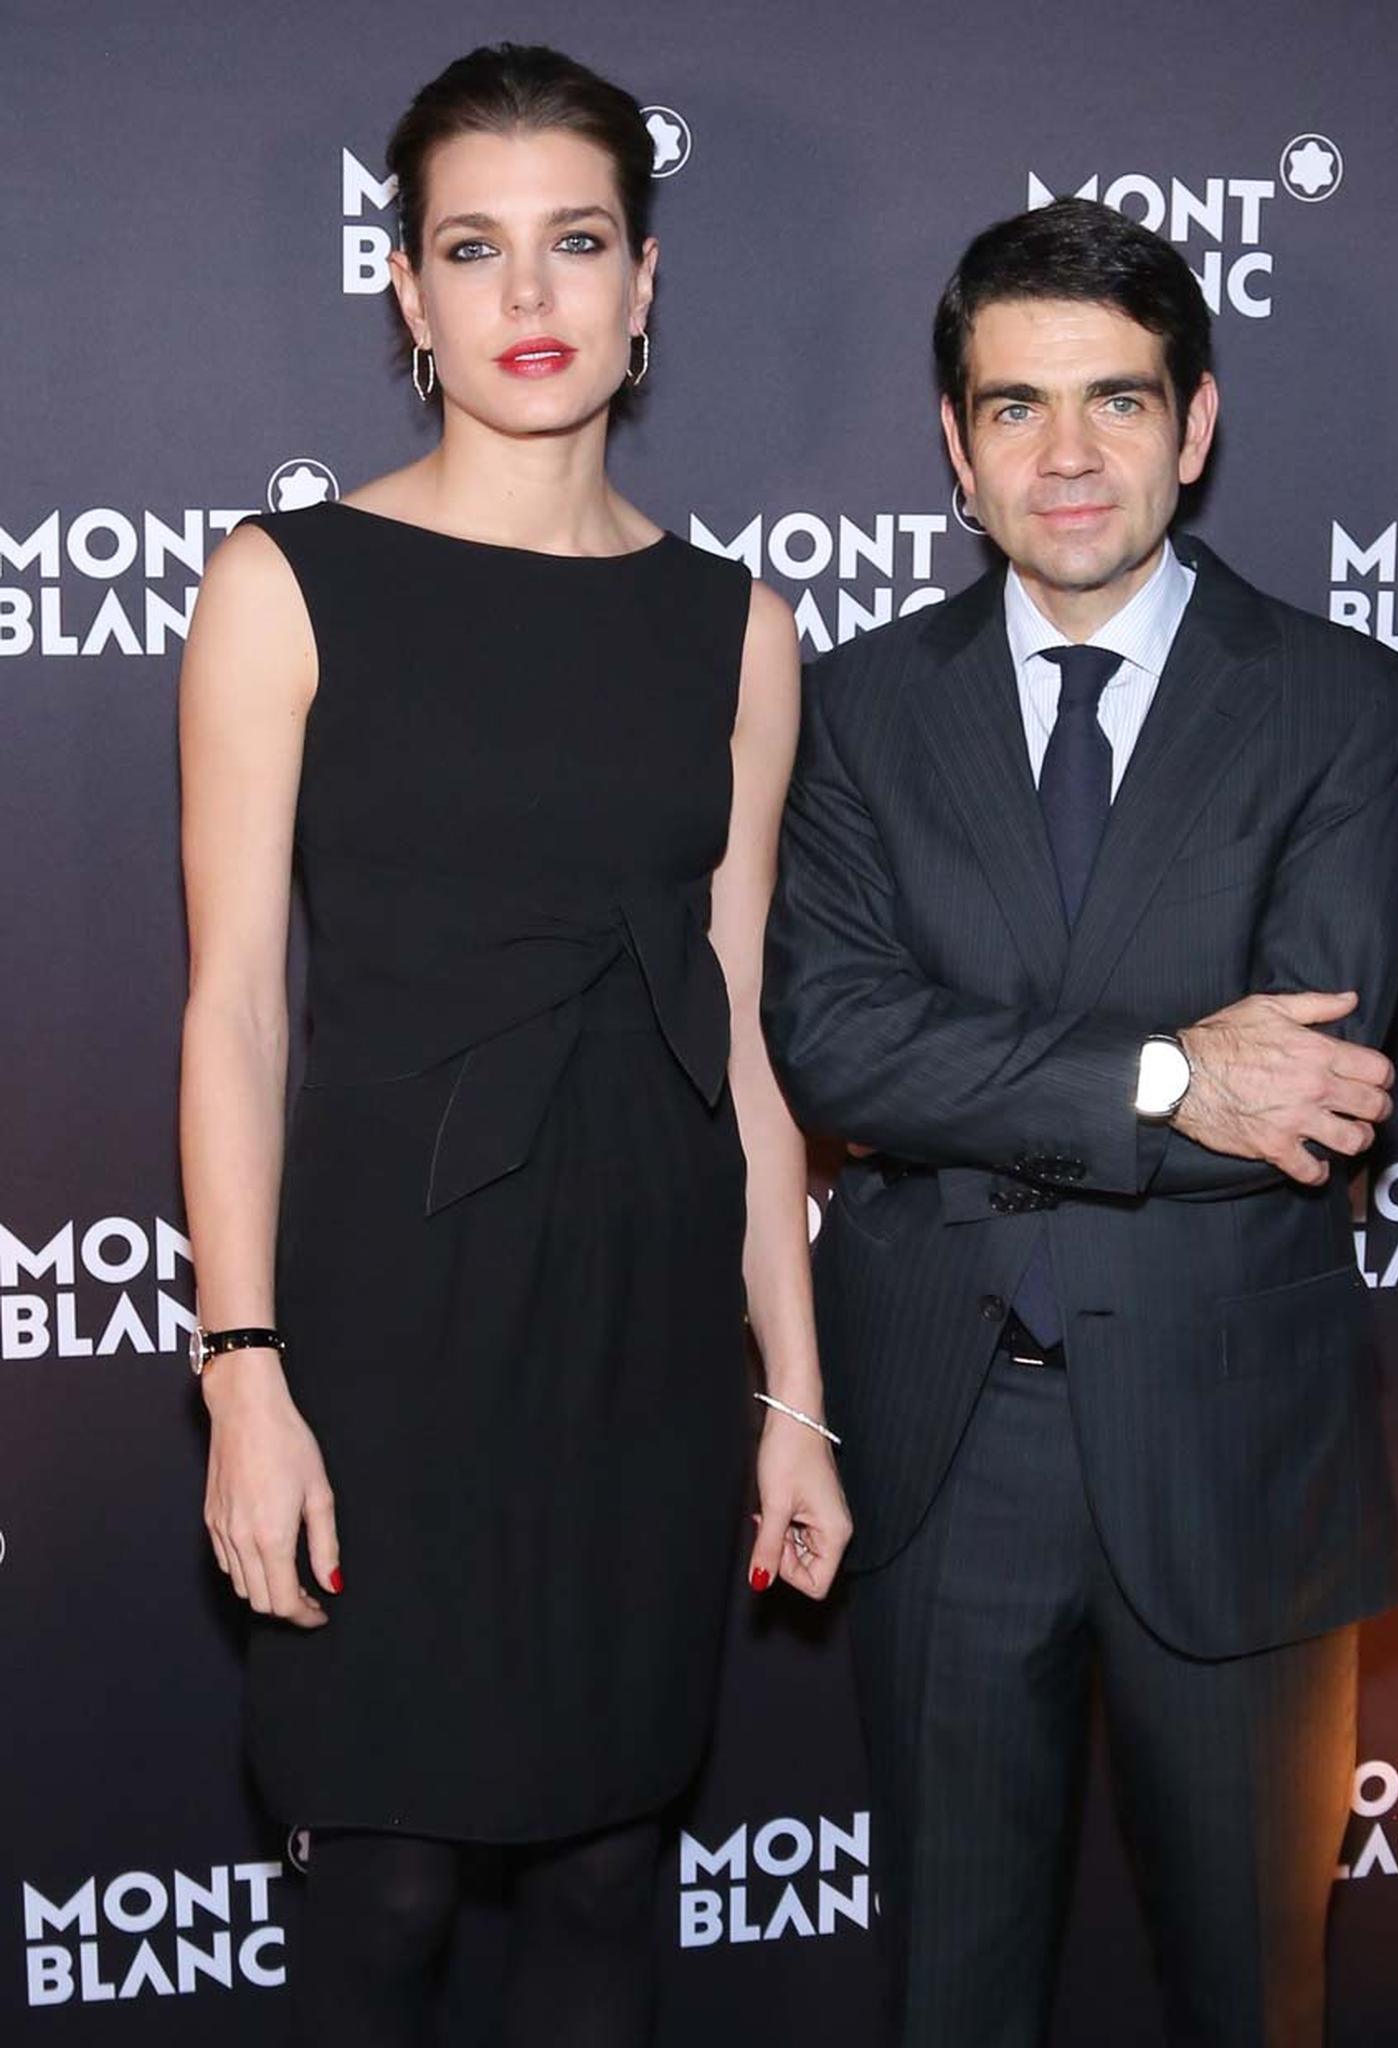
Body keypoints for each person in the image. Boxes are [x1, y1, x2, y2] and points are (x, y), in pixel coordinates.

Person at [178, 42, 849, 2046]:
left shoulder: (739, 628)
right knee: (375, 1891)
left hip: (641, 1328)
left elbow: (732, 1024)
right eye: (476, 248)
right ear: (406, 289)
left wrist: (794, 1388)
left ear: (647, 286)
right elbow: (231, 1007)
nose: (530, 298)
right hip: (387, 1325)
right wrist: (242, 1368)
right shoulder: (286, 587)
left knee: (609, 1884)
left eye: (578, 245)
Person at [763, 196, 1398, 2047]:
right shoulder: (847, 711)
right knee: (953, 2002)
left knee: (1252, 2000)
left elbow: (1297, 1089)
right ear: (954, 447)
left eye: (1119, 403)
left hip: (1235, 1446)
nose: (1068, 457)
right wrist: (1158, 1070)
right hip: (943, 1442)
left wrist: (987, 1071)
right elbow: (832, 1044)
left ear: (1196, 425)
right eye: (1017, 408)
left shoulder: (1345, 706)